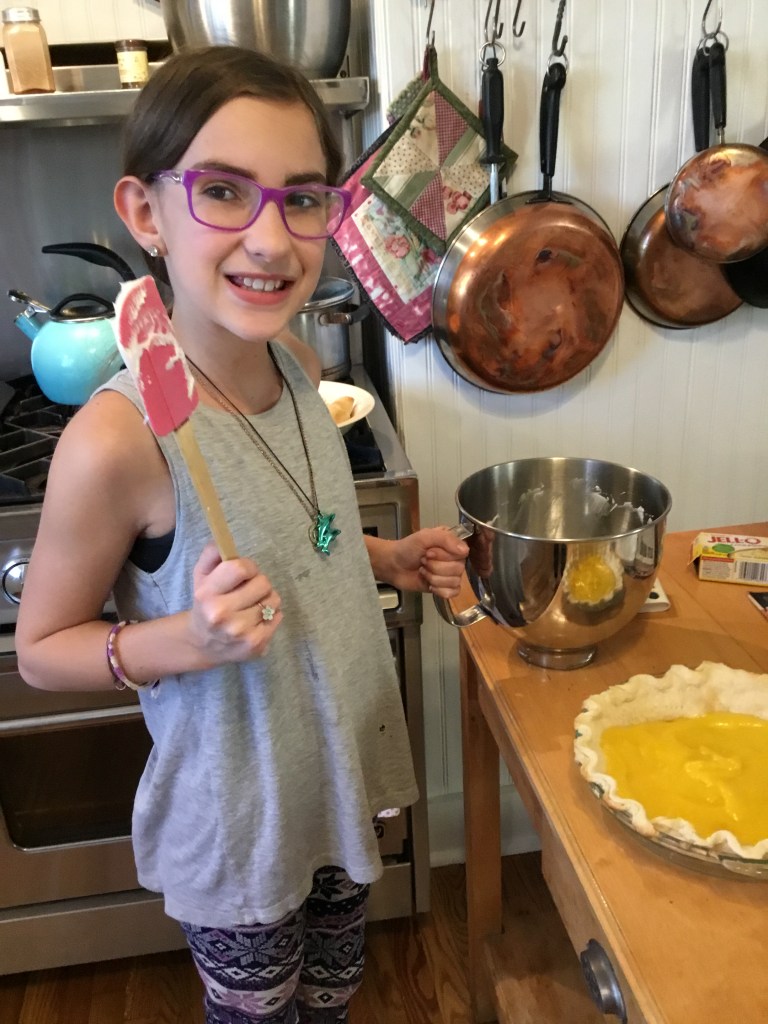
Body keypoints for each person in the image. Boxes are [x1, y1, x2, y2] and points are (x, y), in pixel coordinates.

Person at [15, 46, 468, 1024]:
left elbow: (303, 538)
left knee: (335, 992)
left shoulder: (297, 363)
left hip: (338, 782)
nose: (271, 239)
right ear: (145, 213)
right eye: (222, 191)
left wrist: (386, 559)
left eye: (301, 198)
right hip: (238, 826)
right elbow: (41, 651)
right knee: (259, 1011)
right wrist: (188, 639)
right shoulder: (117, 441)